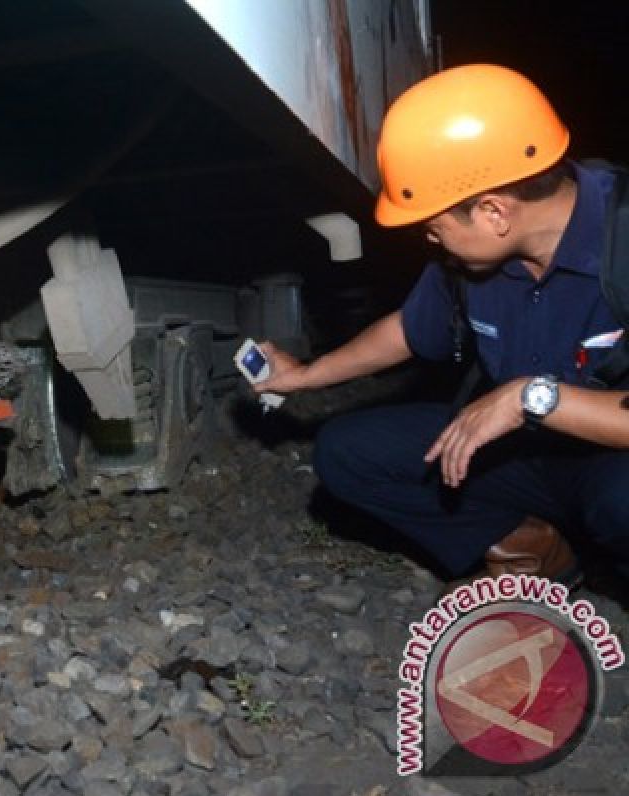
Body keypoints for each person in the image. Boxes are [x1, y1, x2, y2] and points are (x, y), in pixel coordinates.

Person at [255, 64, 629, 586]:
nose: (430, 241)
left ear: (494, 212)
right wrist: (305, 376)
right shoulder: (471, 262)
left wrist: (529, 398)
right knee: (347, 453)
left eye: (434, 228)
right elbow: (406, 331)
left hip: (612, 458)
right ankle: (537, 546)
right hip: (520, 457)